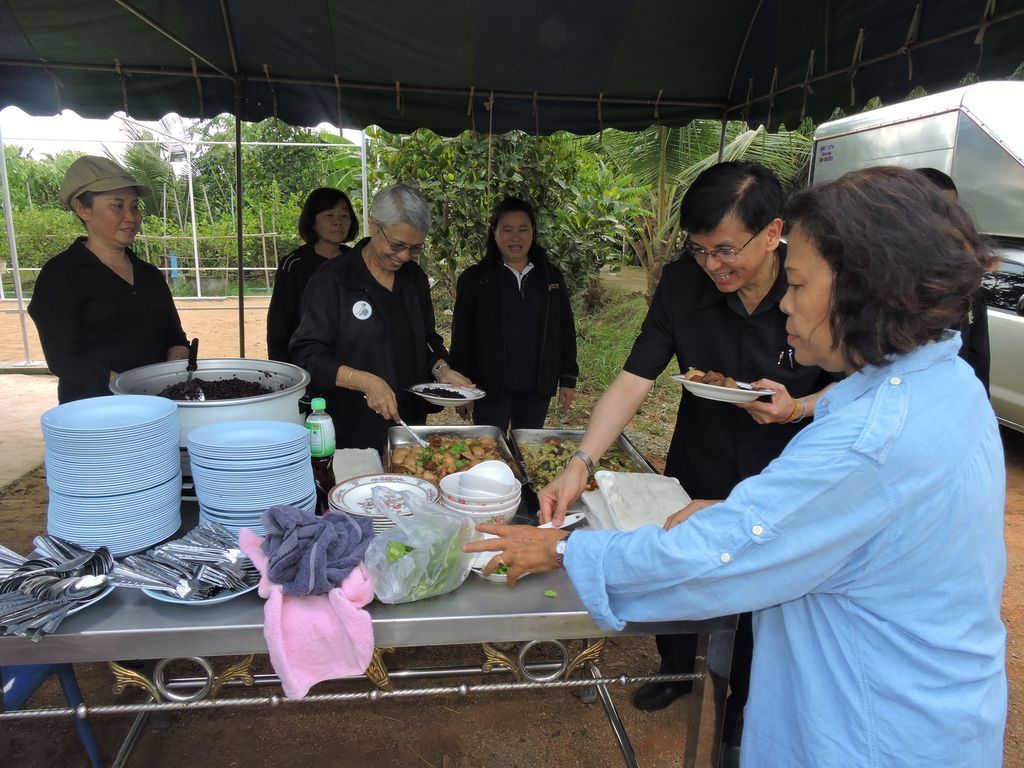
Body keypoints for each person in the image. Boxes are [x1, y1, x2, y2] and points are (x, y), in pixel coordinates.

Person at [467, 166, 1006, 768]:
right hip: (922, 710)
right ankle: (684, 675)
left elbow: (721, 556)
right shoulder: (945, 381)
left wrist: (564, 549)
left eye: (798, 285)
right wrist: (591, 463)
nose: (788, 305)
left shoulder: (867, 443)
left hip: (869, 731)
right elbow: (836, 522)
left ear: (862, 289)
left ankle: (737, 713)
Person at [289, 184, 474, 451]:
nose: (404, 256)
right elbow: (308, 355)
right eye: (397, 245)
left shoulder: (414, 279)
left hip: (408, 424)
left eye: (415, 248)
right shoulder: (333, 280)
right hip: (352, 428)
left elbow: (427, 339)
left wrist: (442, 369)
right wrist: (364, 381)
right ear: (374, 225)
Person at [28, 155, 189, 404]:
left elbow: (175, 338)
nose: (131, 217)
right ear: (83, 209)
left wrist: (171, 369)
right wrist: (129, 389)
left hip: (158, 407)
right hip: (96, 413)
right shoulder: (61, 275)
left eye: (134, 206)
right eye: (117, 206)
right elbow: (65, 359)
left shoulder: (149, 275)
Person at [450, 196, 578, 431]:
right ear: (494, 233)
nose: (515, 237)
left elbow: (565, 330)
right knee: (490, 447)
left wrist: (568, 379)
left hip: (536, 390)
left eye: (523, 229)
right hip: (489, 389)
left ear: (533, 232)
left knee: (527, 447)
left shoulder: (550, 277)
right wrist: (462, 390)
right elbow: (462, 338)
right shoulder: (476, 279)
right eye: (507, 230)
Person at [915, 167, 991, 394]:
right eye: (937, 212)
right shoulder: (873, 281)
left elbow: (978, 356)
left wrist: (979, 403)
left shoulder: (967, 281)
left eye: (953, 211)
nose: (949, 223)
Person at [266, 187, 359, 364]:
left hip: (352, 362)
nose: (338, 222)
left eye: (344, 215)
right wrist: (284, 368)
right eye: (329, 215)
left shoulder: (357, 260)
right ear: (313, 222)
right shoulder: (295, 264)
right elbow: (279, 324)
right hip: (308, 360)